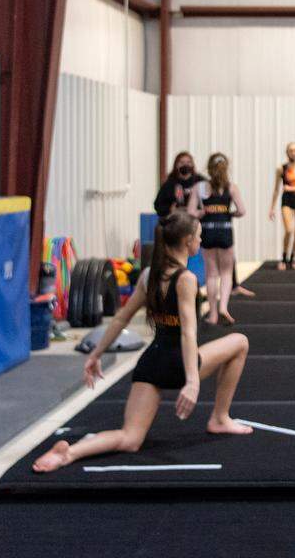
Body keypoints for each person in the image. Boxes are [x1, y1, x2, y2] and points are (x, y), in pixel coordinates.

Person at [32, 212, 252, 472]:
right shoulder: (186, 279)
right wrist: (192, 381)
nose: (201, 242)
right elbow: (187, 333)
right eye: (200, 237)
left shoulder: (149, 275)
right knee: (240, 341)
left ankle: (69, 453)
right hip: (179, 363)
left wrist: (96, 354)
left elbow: (120, 319)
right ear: (188, 241)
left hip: (152, 363)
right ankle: (219, 417)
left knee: (129, 438)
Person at [155, 151, 254, 298]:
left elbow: (211, 200)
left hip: (199, 226)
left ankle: (233, 284)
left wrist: (204, 212)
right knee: (182, 257)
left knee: (218, 264)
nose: (185, 165)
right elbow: (159, 205)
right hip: (178, 225)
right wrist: (170, 210)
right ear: (176, 165)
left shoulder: (200, 182)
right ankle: (171, 286)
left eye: (188, 162)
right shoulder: (170, 184)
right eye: (181, 162)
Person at [188, 153, 247, 326]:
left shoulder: (199, 187)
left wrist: (202, 212)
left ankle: (213, 314)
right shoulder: (231, 187)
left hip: (207, 232)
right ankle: (223, 306)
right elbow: (242, 210)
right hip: (225, 231)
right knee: (227, 273)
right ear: (226, 168)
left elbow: (191, 212)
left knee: (212, 275)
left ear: (208, 168)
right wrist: (230, 213)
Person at [269, 142, 295, 270]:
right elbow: (276, 189)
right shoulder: (281, 168)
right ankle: (283, 259)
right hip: (286, 201)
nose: (293, 152)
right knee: (289, 230)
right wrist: (271, 207)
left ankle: (292, 260)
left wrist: (293, 188)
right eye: (291, 150)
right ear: (287, 152)